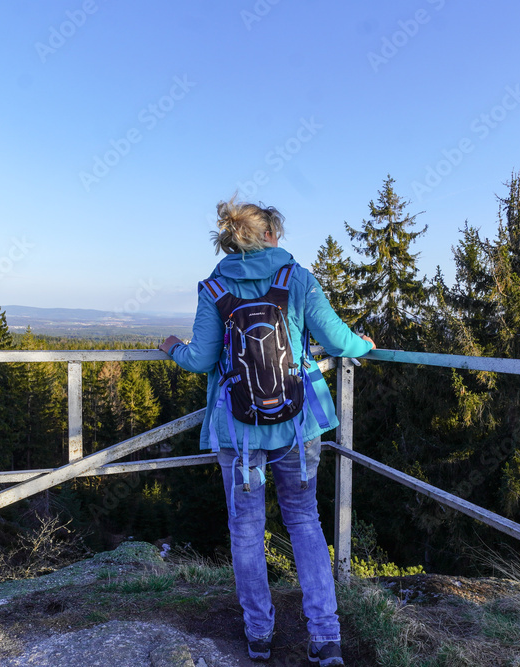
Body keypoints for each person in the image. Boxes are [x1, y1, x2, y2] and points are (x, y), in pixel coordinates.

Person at [159, 198, 375, 666]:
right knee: (304, 524)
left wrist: (173, 347)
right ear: (268, 235)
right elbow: (338, 340)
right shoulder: (296, 278)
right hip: (298, 426)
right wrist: (365, 344)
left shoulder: (214, 287)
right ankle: (325, 638)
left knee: (245, 531)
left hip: (238, 431)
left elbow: (199, 359)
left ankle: (259, 634)